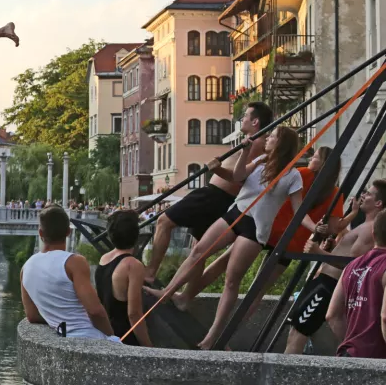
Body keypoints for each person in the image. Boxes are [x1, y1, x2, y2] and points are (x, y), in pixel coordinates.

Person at [148, 125, 319, 349]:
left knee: (231, 281)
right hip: (236, 214)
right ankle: (169, 293)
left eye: (272, 137)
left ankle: (214, 335)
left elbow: (299, 210)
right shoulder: (259, 161)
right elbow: (238, 177)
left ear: (280, 143)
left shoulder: (292, 175)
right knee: (199, 252)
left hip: (255, 229)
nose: (267, 139)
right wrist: (228, 163)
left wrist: (314, 228)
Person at [174, 147, 344, 312]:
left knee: (223, 264)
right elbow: (333, 227)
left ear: (323, 163)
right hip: (290, 243)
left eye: (315, 157)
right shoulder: (335, 193)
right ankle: (230, 331)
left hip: (266, 229)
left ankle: (186, 296)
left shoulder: (300, 174)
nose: (310, 159)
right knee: (258, 290)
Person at [144, 102, 273, 287]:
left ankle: (150, 272)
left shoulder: (257, 142)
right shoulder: (253, 142)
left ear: (255, 121)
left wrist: (218, 170)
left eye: (245, 115)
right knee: (198, 250)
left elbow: (239, 176)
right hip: (218, 198)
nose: (241, 118)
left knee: (164, 221)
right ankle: (186, 296)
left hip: (213, 196)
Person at [285, 180, 386, 354]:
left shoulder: (371, 229)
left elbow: (355, 265)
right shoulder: (363, 226)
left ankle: (281, 378)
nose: (363, 196)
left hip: (329, 285)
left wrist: (319, 253)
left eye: (368, 194)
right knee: (295, 330)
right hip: (324, 282)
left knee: (298, 333)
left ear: (378, 203)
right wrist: (330, 249)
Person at [21, 206, 116, 340]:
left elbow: (32, 315)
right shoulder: (74, 262)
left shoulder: (26, 267)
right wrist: (112, 337)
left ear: (40, 233)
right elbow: (95, 311)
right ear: (69, 232)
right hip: (89, 336)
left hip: (63, 337)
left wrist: (58, 319)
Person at [326, 210, 386, 358]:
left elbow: (332, 315)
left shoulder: (351, 266)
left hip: (348, 355)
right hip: (376, 360)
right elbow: (385, 317)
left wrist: (353, 343)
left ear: (373, 234)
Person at [96, 210, 153, 346]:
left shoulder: (104, 259)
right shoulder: (133, 266)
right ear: (136, 234)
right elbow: (134, 314)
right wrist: (149, 347)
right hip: (125, 337)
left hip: (106, 333)